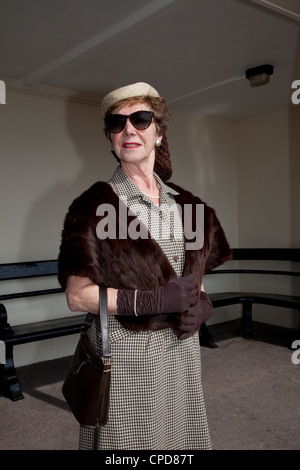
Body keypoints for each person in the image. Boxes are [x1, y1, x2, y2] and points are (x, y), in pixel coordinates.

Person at [58, 82, 231, 450]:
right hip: (127, 355)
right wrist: (150, 303)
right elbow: (78, 297)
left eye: (140, 118)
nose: (129, 129)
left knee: (178, 440)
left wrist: (203, 304)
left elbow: (192, 280)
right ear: (111, 137)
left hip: (181, 349)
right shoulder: (93, 206)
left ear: (159, 132)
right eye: (117, 123)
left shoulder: (190, 206)